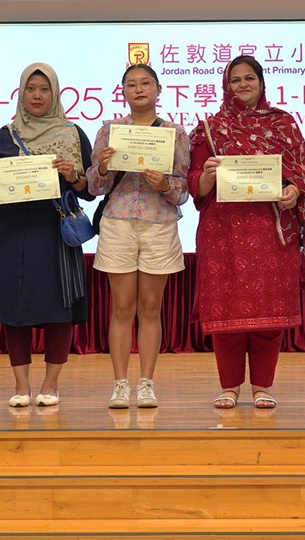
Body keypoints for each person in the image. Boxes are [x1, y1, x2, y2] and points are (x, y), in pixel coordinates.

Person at [188, 55, 305, 409]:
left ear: (262, 83)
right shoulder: (209, 129)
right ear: (226, 86)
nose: (243, 85)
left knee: (269, 316)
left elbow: (302, 172)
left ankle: (262, 386)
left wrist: (293, 191)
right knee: (227, 315)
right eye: (235, 80)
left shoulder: (283, 124)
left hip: (271, 228)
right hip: (223, 231)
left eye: (249, 78)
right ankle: (230, 386)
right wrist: (208, 176)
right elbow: (194, 183)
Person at [0, 63, 94, 408]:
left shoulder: (72, 134)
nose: (37, 95)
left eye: (44, 89)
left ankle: (51, 384)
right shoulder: (2, 136)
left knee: (59, 309)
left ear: (55, 93)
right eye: (31, 89)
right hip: (9, 233)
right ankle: (21, 385)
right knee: (13, 310)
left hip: (54, 233)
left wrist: (73, 176)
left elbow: (89, 190)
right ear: (21, 93)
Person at [87, 64, 190, 409]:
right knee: (121, 307)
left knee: (150, 307)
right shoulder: (109, 131)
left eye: (146, 83)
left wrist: (164, 185)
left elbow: (182, 190)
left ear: (159, 89)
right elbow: (94, 186)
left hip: (159, 224)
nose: (139, 89)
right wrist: (103, 167)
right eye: (131, 84)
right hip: (118, 223)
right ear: (123, 92)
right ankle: (120, 384)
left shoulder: (175, 133)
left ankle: (146, 384)